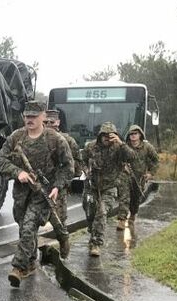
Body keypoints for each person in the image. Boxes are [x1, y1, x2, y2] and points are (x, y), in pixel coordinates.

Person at [0, 100, 73, 287]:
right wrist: (18, 173)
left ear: (43, 117)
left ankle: (18, 267)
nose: (29, 120)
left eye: (33, 116)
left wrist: (57, 186)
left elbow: (68, 167)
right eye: (27, 116)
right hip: (22, 193)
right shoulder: (16, 137)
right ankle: (31, 262)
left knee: (29, 226)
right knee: (24, 227)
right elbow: (1, 161)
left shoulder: (55, 140)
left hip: (43, 193)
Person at [79, 122, 136, 256]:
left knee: (102, 212)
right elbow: (81, 160)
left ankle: (96, 244)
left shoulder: (119, 148)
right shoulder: (91, 147)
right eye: (104, 135)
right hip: (92, 187)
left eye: (110, 135)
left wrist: (121, 143)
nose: (106, 138)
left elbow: (132, 157)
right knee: (90, 212)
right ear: (100, 135)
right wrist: (86, 170)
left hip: (109, 187)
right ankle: (92, 230)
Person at [45, 109, 82, 257]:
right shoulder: (35, 138)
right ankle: (38, 255)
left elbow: (77, 165)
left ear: (58, 123)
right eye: (45, 122)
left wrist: (65, 178)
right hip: (38, 189)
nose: (48, 125)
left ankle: (63, 247)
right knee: (35, 223)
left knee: (59, 222)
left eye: (51, 122)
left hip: (59, 190)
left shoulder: (68, 141)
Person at [117, 124, 159, 227]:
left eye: (135, 134)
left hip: (140, 178)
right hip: (126, 176)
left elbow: (156, 160)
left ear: (140, 135)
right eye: (131, 134)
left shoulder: (147, 147)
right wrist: (122, 166)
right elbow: (118, 159)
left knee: (135, 199)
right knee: (124, 197)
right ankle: (122, 220)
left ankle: (133, 214)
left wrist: (150, 173)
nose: (133, 136)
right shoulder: (124, 146)